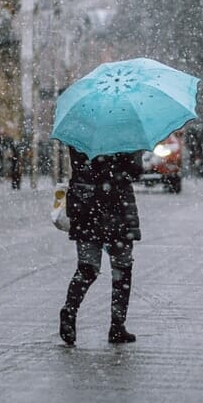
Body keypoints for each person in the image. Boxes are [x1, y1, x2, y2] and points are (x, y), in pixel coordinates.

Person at [59, 147, 142, 347]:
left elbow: (77, 166)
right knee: (121, 268)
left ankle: (70, 309)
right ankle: (117, 325)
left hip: (85, 205)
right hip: (117, 207)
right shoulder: (125, 132)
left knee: (87, 268)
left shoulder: (81, 127)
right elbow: (136, 170)